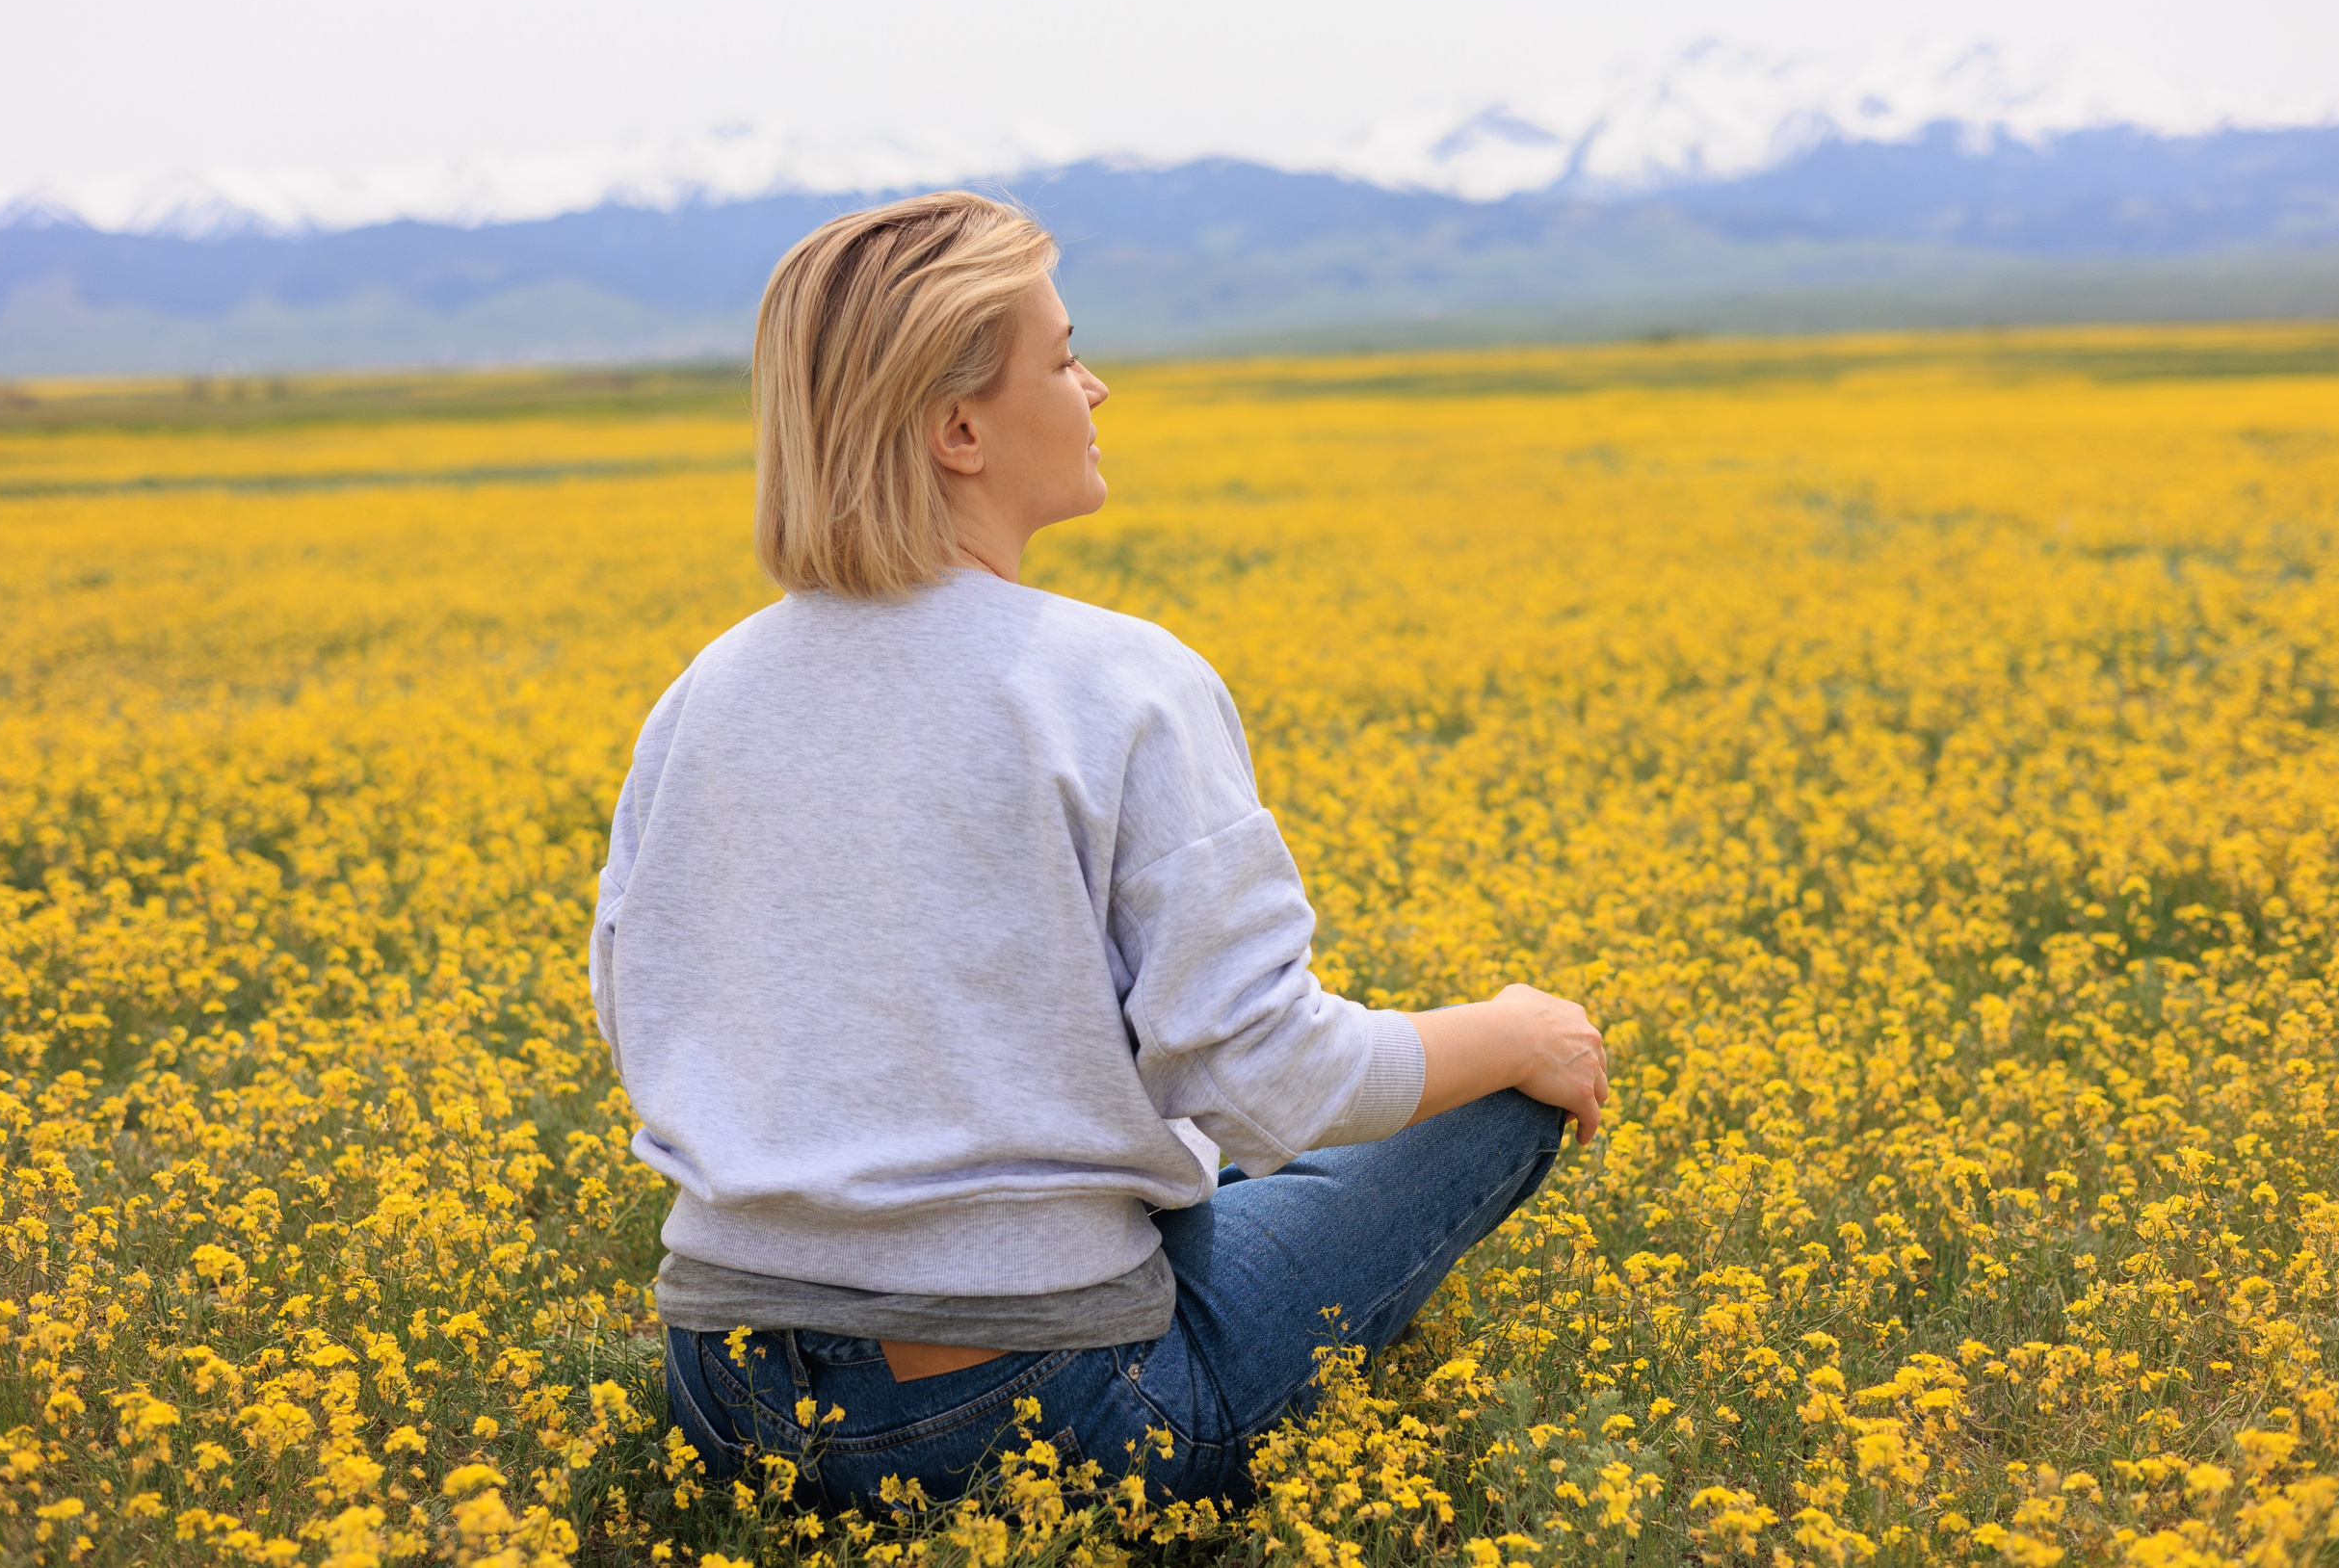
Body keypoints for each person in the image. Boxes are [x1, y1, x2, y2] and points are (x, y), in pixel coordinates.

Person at [588, 190, 1609, 1512]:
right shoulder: (1116, 681)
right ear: (960, 429)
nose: (1097, 387)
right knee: (1494, 1093)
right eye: (1064, 358)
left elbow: (641, 1012)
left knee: (1190, 1152)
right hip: (1026, 1410)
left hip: (719, 1394)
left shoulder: (703, 692)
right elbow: (1269, 1075)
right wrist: (1519, 1031)